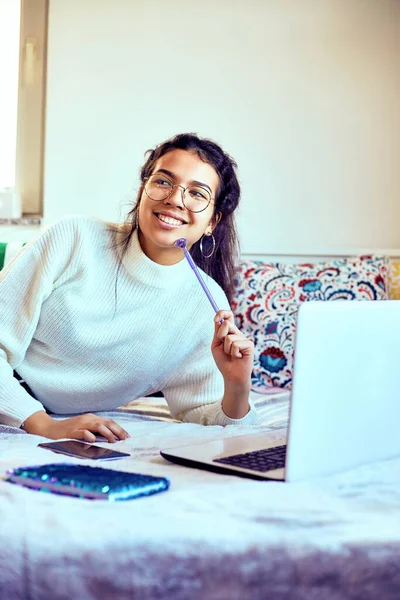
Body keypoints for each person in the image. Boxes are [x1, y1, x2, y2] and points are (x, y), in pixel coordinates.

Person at [0, 133, 257, 442]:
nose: (175, 199)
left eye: (197, 193)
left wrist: (237, 386)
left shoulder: (208, 305)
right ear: (142, 191)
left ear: (213, 221)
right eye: (163, 182)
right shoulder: (73, 238)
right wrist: (41, 423)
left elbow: (212, 421)